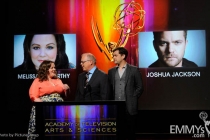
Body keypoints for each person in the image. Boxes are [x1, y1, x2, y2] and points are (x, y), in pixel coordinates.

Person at [27, 60, 69, 140]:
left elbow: (64, 96)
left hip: (58, 109)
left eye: (54, 67)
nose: (54, 69)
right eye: (51, 68)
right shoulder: (38, 80)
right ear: (45, 69)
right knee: (45, 130)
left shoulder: (58, 80)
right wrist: (44, 106)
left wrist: (67, 90)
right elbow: (33, 96)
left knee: (57, 130)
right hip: (43, 108)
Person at [108, 47, 144, 140]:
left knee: (130, 132)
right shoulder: (111, 71)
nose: (113, 58)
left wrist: (133, 97)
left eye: (115, 55)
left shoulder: (134, 70)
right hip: (115, 105)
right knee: (117, 132)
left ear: (123, 56)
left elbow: (140, 87)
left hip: (129, 106)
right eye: (113, 56)